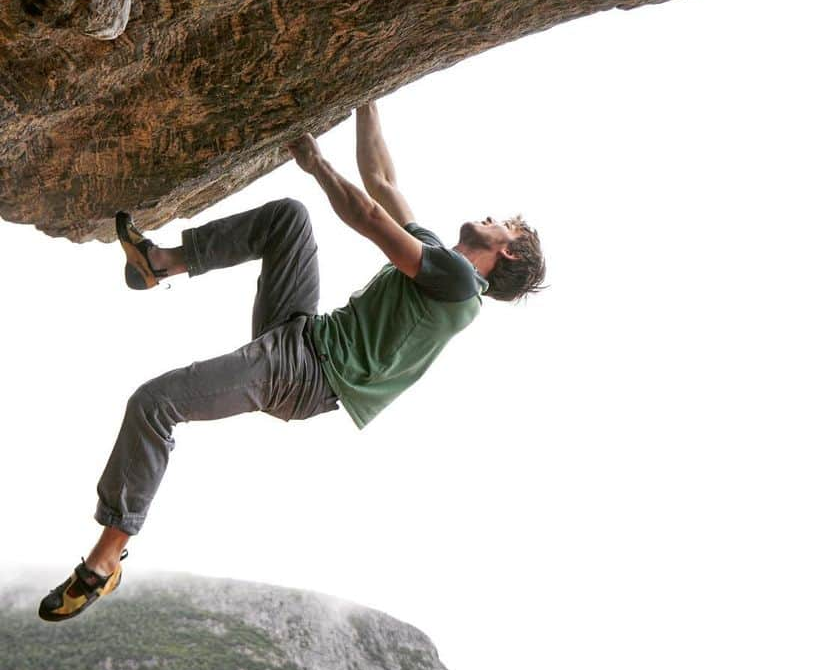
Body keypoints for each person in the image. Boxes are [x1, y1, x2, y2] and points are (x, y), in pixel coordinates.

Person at [38, 102, 545, 622]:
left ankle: (104, 560)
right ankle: (158, 263)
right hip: (305, 335)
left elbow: (370, 218)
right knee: (289, 219)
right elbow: (382, 181)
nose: (491, 217)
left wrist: (316, 164)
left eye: (504, 224)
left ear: (508, 252)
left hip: (307, 374)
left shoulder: (460, 285)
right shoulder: (442, 256)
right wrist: (367, 96)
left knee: (154, 403)